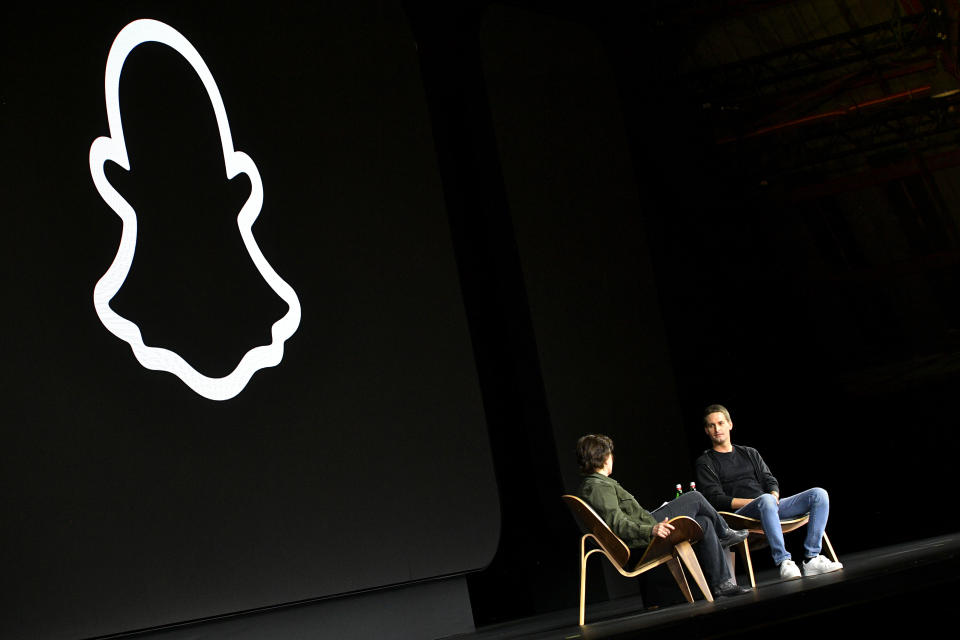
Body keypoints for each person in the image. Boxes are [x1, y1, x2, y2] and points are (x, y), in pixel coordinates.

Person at [575, 434, 752, 598]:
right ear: (604, 458)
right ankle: (725, 533)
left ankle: (722, 584)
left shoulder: (595, 485)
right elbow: (618, 525)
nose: (612, 458)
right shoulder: (599, 487)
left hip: (645, 528)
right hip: (644, 538)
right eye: (610, 454)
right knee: (694, 497)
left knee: (704, 522)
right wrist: (651, 529)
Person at [694, 404, 843, 580]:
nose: (717, 429)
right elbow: (715, 499)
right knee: (765, 500)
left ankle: (812, 558)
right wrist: (758, 502)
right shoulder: (706, 462)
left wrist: (773, 495)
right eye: (712, 425)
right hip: (738, 516)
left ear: (730, 424)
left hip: (768, 505)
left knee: (819, 494)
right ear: (706, 430)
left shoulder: (749, 453)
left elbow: (770, 481)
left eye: (720, 423)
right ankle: (784, 561)